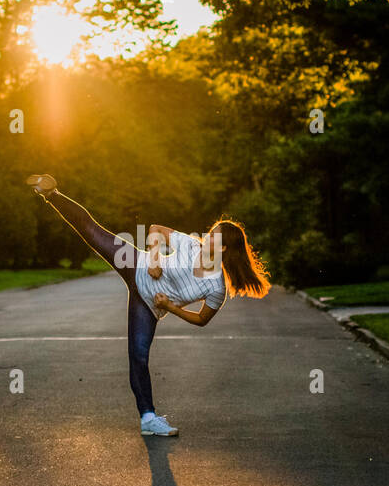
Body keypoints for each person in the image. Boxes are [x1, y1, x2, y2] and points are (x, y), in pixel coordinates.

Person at [25, 173, 271, 435]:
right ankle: (51, 194)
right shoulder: (190, 245)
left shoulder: (216, 288)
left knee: (139, 357)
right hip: (137, 264)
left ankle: (148, 419)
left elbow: (202, 319)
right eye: (211, 233)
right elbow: (154, 229)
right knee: (93, 231)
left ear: (223, 249)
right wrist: (154, 258)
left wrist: (170, 306)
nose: (208, 238)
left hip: (148, 305)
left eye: (214, 237)